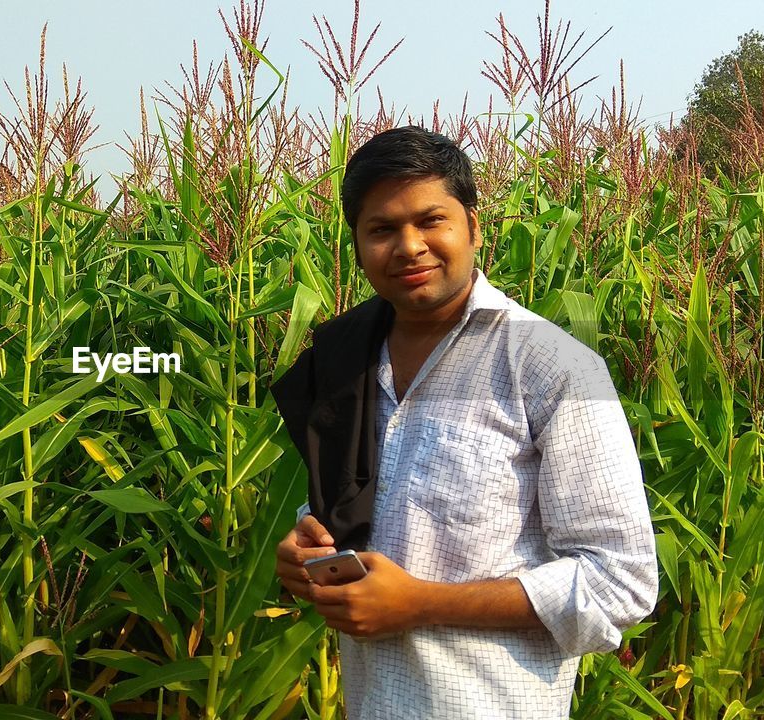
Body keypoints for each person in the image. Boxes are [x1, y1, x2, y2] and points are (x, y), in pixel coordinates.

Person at [270, 126, 658, 719]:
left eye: (431, 221)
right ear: (356, 242)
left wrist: (420, 603)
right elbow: (359, 502)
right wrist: (308, 548)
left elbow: (620, 581)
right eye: (381, 229)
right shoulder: (342, 359)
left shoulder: (553, 368)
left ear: (473, 227)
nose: (408, 246)